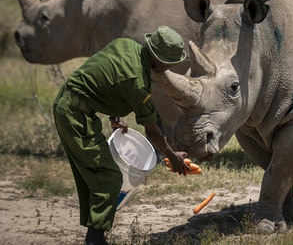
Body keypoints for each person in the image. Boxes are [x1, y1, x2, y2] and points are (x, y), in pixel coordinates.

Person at [53, 26, 190, 245]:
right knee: (108, 177)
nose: (170, 67)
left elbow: (107, 73)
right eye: (170, 63)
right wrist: (171, 156)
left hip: (73, 105)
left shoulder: (127, 45)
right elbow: (153, 131)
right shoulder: (138, 83)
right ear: (160, 61)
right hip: (74, 114)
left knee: (96, 175)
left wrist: (114, 115)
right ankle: (95, 240)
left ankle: (95, 234)